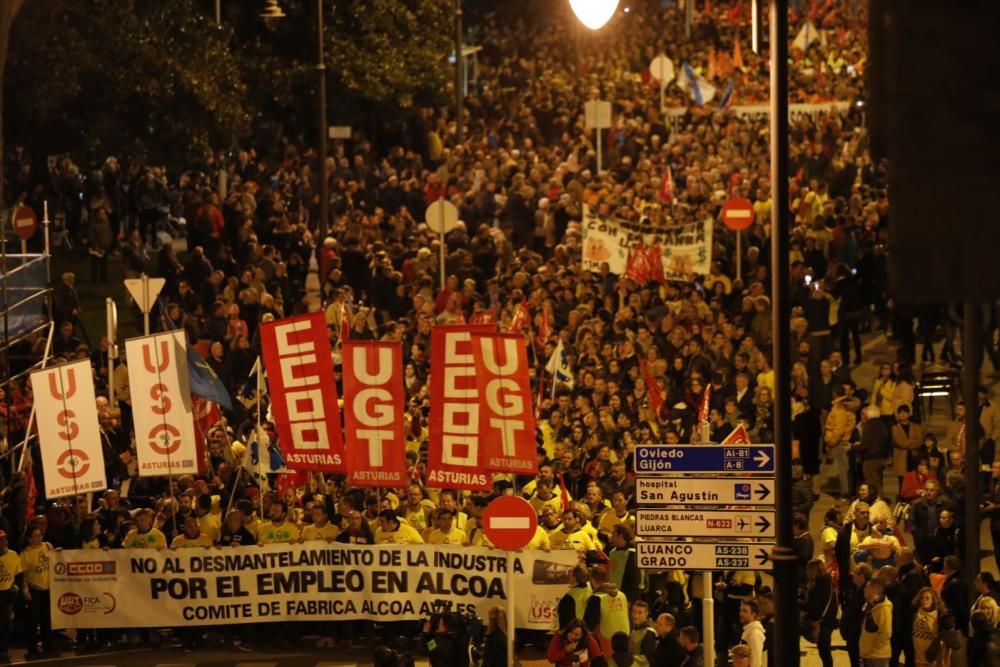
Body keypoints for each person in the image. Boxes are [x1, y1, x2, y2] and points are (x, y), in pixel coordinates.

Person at [20, 524, 53, 657]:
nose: (39, 538)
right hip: (35, 589)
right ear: (29, 538)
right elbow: (23, 576)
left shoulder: (47, 546)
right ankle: (32, 645)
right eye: (36, 536)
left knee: (47, 618)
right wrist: (25, 590)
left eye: (40, 535)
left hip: (48, 588)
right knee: (33, 618)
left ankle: (47, 643)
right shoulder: (25, 554)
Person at [584, 566, 630, 658]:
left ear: (592, 580)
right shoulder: (622, 595)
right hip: (625, 638)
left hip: (607, 641)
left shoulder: (596, 598)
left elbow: (588, 625)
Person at [803, 559, 837, 667]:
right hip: (827, 620)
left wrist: (804, 607)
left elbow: (815, 605)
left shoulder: (821, 585)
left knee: (824, 650)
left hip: (823, 622)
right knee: (824, 650)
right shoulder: (826, 582)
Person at [843, 564, 874, 667]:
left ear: (862, 576)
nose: (852, 575)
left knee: (857, 661)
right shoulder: (857, 589)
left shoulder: (866, 592)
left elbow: (858, 614)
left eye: (855, 573)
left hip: (857, 634)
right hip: (852, 633)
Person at [860, 578, 893, 667]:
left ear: (873, 590)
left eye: (866, 587)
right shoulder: (869, 605)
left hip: (878, 656)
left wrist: (872, 649)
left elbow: (885, 633)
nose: (864, 589)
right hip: (869, 655)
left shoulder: (883, 609)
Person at [912, 587, 945, 667]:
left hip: (931, 657)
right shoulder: (916, 612)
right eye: (922, 598)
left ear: (933, 600)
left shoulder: (938, 615)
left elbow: (941, 638)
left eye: (927, 598)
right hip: (917, 657)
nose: (924, 600)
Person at [0, 531, 20, 662]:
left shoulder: (13, 555)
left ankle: (3, 650)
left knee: (7, 623)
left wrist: (17, 585)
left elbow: (18, 572)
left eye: (4, 539)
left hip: (8, 593)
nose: (3, 542)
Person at [558, 565, 593, 629]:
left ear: (575, 578)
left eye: (570, 575)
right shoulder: (590, 589)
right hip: (587, 629)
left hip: (575, 632)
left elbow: (563, 621)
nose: (568, 577)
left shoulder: (569, 596)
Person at [627, 601, 657, 667]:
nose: (636, 616)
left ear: (646, 614)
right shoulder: (635, 628)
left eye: (640, 613)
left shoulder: (649, 633)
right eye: (634, 612)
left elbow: (648, 658)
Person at [738, 599, 765, 667]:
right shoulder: (748, 630)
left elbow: (756, 661)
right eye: (740, 610)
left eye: (745, 611)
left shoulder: (754, 633)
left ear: (753, 614)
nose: (740, 613)